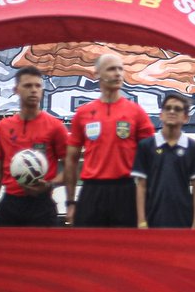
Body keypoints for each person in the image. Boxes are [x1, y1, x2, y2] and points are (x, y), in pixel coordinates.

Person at [64, 53, 154, 228]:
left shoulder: (136, 113)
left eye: (120, 69)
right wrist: (70, 202)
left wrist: (147, 201)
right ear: (97, 74)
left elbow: (151, 158)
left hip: (125, 191)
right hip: (92, 191)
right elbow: (71, 160)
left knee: (124, 251)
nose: (118, 73)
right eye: (112, 69)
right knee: (88, 250)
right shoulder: (83, 114)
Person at [0, 66, 68, 228]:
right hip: (10, 203)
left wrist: (50, 185)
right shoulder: (3, 126)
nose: (34, 90)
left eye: (38, 86)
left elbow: (70, 169)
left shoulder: (55, 127)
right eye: (28, 86)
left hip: (42, 205)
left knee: (43, 253)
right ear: (16, 89)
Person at [132, 92, 195, 230]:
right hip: (151, 219)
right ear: (161, 114)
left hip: (183, 220)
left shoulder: (193, 147)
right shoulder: (145, 146)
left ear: (186, 118)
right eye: (168, 108)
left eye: (177, 109)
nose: (172, 111)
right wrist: (141, 221)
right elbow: (141, 186)